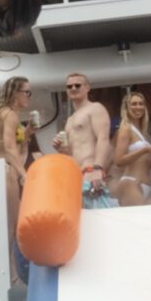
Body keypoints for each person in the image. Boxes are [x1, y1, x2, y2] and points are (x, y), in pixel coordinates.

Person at [0, 76, 32, 282]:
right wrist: (24, 173)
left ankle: (7, 274)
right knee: (12, 226)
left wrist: (28, 133)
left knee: (4, 225)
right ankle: (10, 276)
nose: (29, 96)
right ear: (16, 94)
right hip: (6, 171)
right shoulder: (11, 115)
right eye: (27, 92)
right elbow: (10, 148)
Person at [52, 72, 117, 208]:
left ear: (87, 87)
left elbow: (103, 138)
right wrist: (61, 149)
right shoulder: (70, 120)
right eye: (69, 86)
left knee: (98, 216)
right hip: (76, 175)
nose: (73, 88)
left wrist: (98, 168)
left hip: (91, 170)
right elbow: (73, 151)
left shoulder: (95, 108)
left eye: (77, 85)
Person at [113, 92, 151, 206]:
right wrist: (145, 150)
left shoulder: (141, 131)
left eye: (141, 104)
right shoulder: (125, 128)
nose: (138, 107)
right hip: (131, 183)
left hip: (145, 185)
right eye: (134, 104)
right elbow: (118, 160)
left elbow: (141, 163)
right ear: (126, 108)